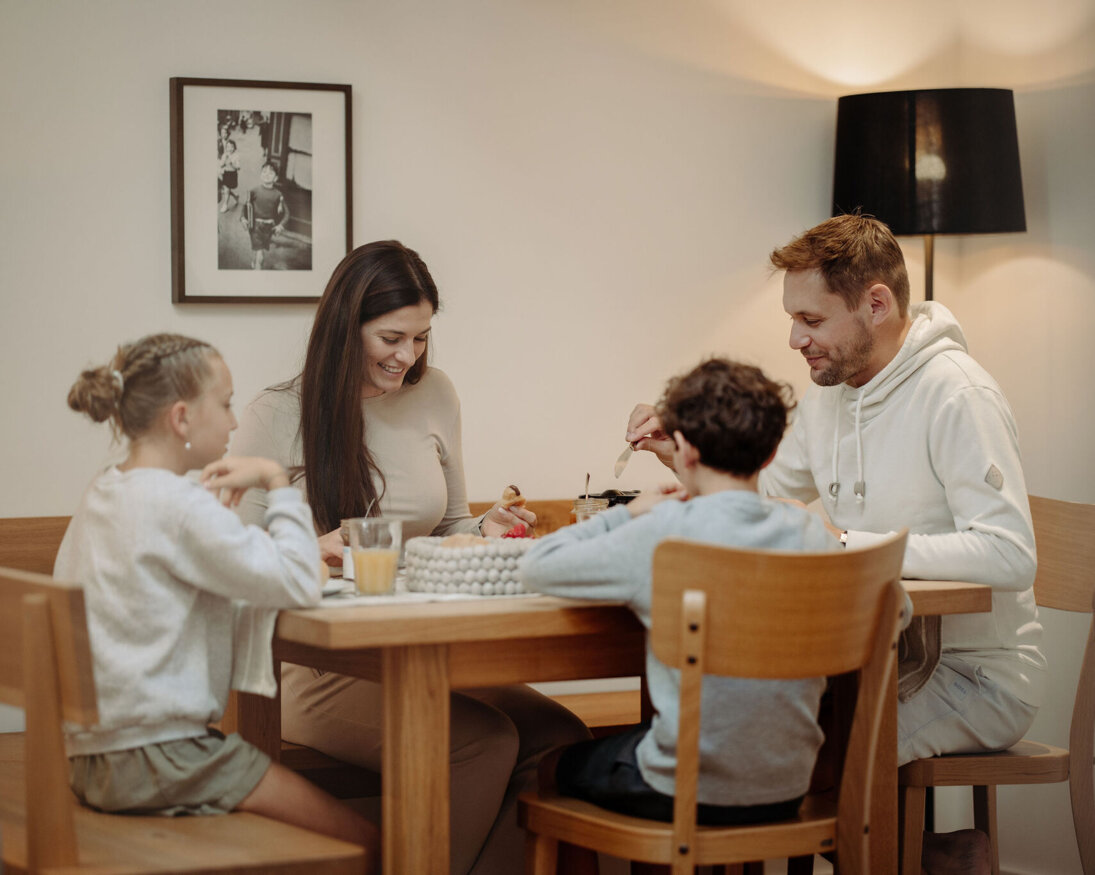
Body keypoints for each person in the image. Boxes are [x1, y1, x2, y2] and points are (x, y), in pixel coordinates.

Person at [626, 214, 1044, 875]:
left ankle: (925, 858)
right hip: (871, 661)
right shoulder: (830, 397)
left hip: (974, 677)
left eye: (811, 320)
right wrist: (681, 455)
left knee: (789, 757)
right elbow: (759, 497)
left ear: (875, 304)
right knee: (738, 737)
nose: (794, 338)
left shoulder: (957, 394)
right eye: (792, 319)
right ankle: (938, 857)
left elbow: (1010, 554)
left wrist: (847, 544)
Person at [231, 240, 590, 875]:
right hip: (314, 667)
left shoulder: (436, 394)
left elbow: (449, 525)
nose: (408, 356)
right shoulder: (277, 414)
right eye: (391, 338)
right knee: (482, 742)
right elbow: (236, 563)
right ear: (346, 328)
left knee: (560, 740)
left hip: (426, 651)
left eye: (421, 338)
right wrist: (309, 550)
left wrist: (487, 526)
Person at [56, 333, 378, 871]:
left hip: (91, 759)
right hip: (159, 759)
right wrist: (277, 480)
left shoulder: (106, 490)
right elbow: (299, 580)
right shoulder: (178, 505)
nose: (233, 422)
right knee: (369, 839)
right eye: (225, 404)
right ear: (181, 418)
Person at [520, 358, 839, 823]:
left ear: (683, 450)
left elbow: (537, 566)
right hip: (789, 786)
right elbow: (895, 613)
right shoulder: (809, 533)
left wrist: (628, 513)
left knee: (555, 765)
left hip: (683, 786)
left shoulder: (665, 530)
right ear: (771, 454)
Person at [240, 161, 289, 270]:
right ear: (260, 174)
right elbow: (245, 206)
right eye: (264, 172)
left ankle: (256, 262)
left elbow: (287, 213)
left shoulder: (278, 195)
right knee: (260, 251)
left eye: (271, 173)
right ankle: (258, 270)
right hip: (255, 226)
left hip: (269, 228)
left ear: (276, 178)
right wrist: (243, 218)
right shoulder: (254, 191)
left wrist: (280, 225)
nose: (267, 174)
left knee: (259, 249)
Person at [218, 139, 240, 213]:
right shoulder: (225, 155)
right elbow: (221, 165)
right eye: (228, 147)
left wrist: (231, 164)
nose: (230, 149)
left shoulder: (236, 156)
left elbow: (238, 167)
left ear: (234, 148)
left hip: (232, 174)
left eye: (232, 147)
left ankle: (231, 199)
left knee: (227, 190)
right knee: (226, 190)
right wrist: (223, 161)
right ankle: (227, 203)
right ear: (226, 148)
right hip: (226, 173)